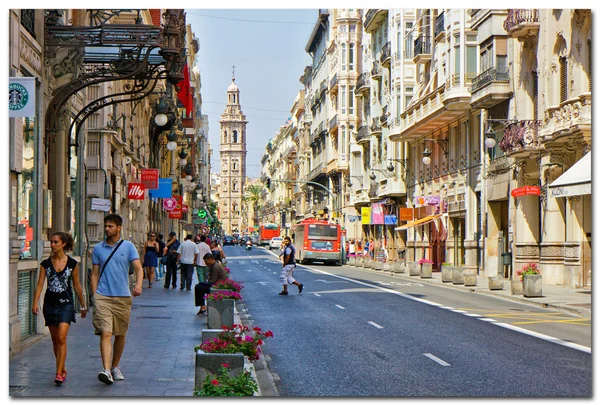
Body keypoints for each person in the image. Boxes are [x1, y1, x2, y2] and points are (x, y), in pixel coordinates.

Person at [90, 214, 143, 385]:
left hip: (122, 296)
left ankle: (115, 366)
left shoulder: (128, 247)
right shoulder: (98, 248)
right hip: (103, 296)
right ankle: (106, 370)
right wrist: (95, 295)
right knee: (106, 333)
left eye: (110, 226)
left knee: (120, 333)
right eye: (106, 226)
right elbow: (95, 273)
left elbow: (138, 268)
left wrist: (139, 285)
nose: (107, 229)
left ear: (119, 228)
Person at [32, 232, 87, 385]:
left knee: (62, 338)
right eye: (51, 242)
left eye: (56, 242)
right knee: (55, 340)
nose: (53, 245)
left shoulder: (72, 264)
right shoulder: (45, 264)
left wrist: (83, 305)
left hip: (66, 304)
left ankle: (58, 373)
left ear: (63, 244)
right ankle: (62, 367)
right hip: (50, 304)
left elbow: (76, 285)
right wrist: (35, 302)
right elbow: (40, 284)